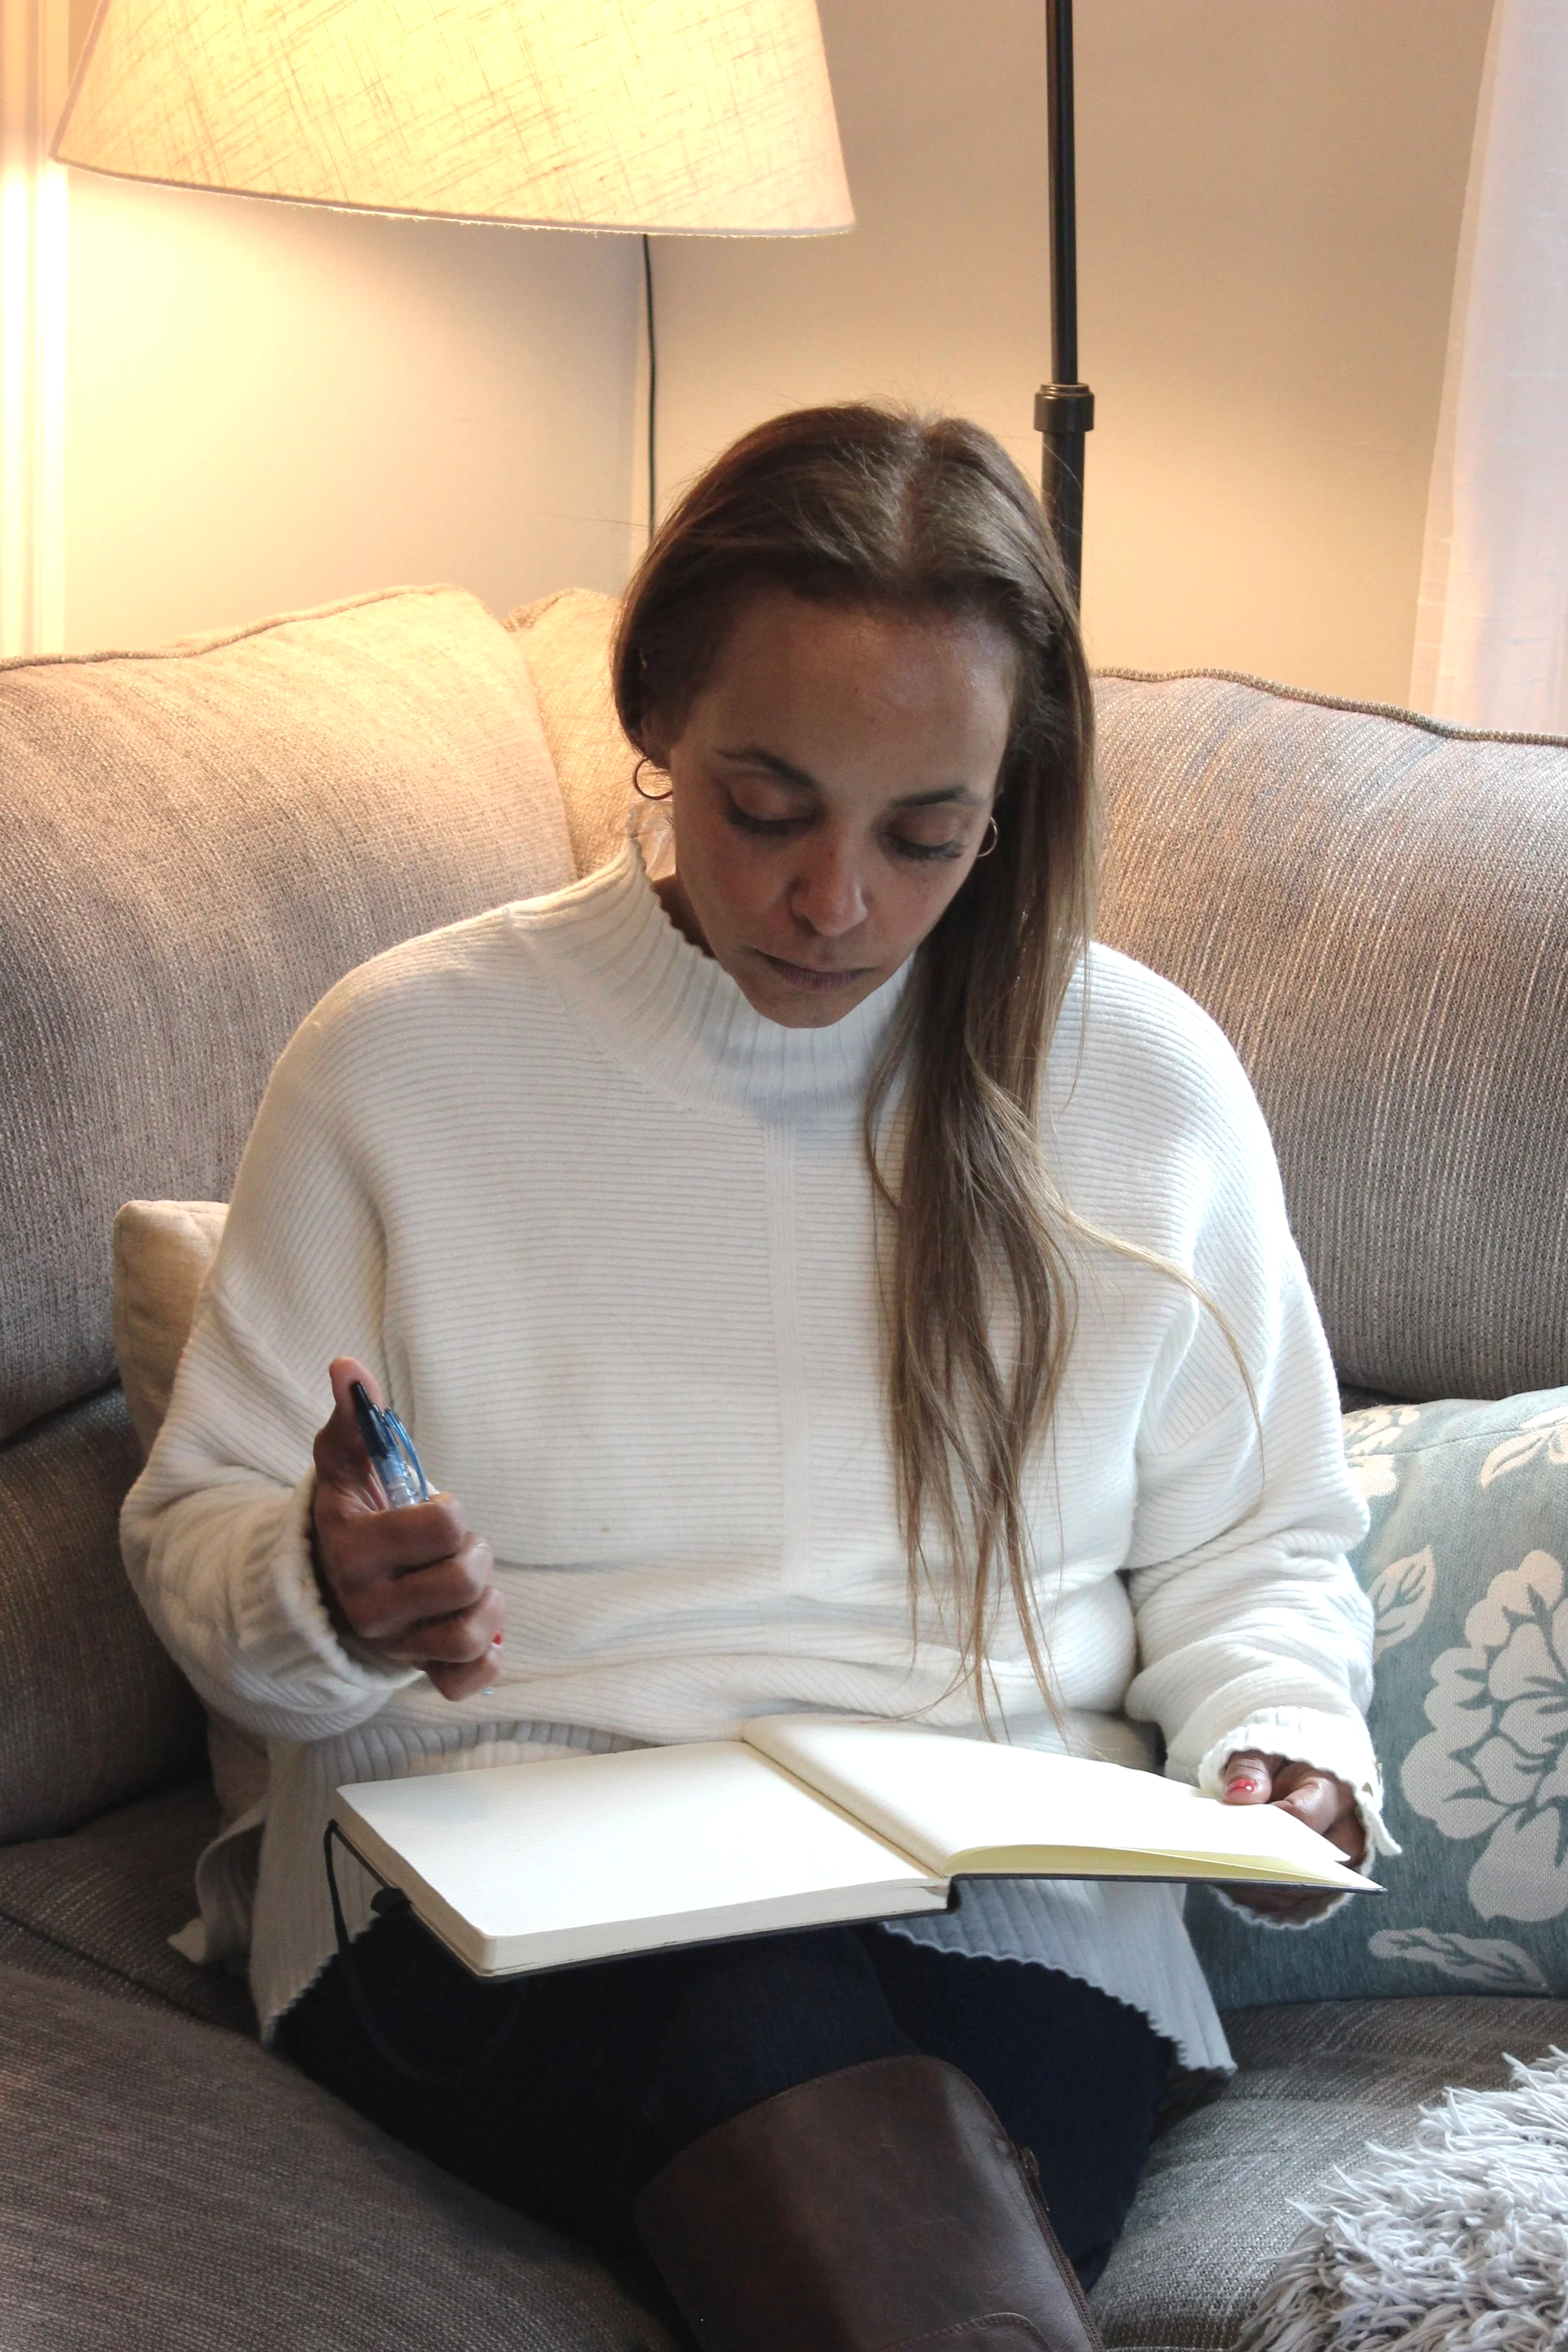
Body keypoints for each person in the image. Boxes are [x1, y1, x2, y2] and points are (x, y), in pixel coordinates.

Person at [123, 405, 1390, 2352]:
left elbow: (1260, 1544)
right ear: (656, 720)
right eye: (767, 805)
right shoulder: (408, 1064)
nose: (836, 906)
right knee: (759, 2021)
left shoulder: (1144, 1086)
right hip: (491, 1868)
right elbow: (204, 1538)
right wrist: (320, 1585)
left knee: (887, 2085)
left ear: (1012, 796)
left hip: (1005, 1888)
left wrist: (1283, 1729)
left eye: (925, 835)